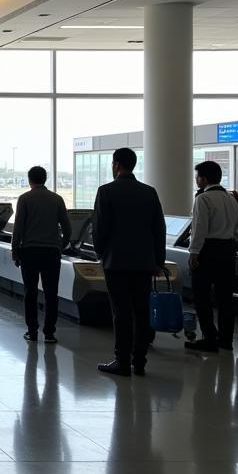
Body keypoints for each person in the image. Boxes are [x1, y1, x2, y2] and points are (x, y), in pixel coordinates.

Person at [91, 147, 166, 376]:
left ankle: (122, 361)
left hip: (116, 263)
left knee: (121, 312)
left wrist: (101, 254)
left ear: (115, 165)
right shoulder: (149, 192)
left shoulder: (106, 191)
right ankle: (140, 361)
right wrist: (158, 261)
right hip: (144, 263)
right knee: (141, 311)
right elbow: (158, 229)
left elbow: (99, 228)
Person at [11, 165, 72, 344]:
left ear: (30, 180)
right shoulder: (57, 199)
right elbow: (67, 228)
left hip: (29, 252)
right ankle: (50, 333)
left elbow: (18, 228)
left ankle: (32, 331)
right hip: (51, 253)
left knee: (30, 292)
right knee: (51, 293)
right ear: (45, 179)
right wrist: (60, 246)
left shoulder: (24, 199)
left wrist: (15, 251)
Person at [185, 160, 238, 353]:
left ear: (204, 178)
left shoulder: (203, 199)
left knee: (202, 296)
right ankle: (225, 340)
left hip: (208, 251)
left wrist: (194, 253)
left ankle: (209, 337)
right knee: (225, 298)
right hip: (228, 250)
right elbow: (237, 229)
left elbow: (199, 229)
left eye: (197, 176)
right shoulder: (232, 198)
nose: (196, 179)